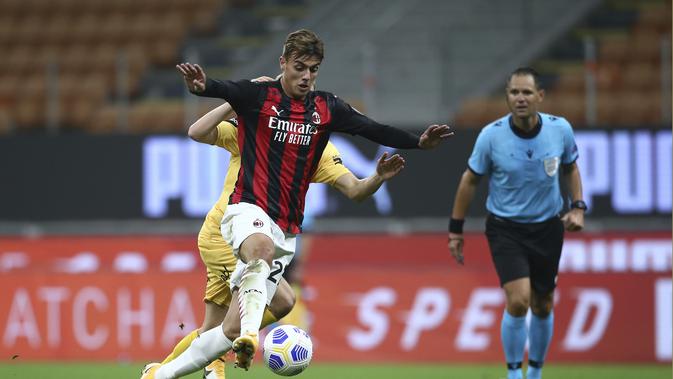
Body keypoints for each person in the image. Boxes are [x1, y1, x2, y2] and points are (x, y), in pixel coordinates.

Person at [143, 29, 452, 379]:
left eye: (314, 69)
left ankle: (164, 373)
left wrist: (412, 147)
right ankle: (244, 340)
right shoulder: (257, 105)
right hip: (236, 219)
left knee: (231, 326)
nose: (306, 76)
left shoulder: (323, 121)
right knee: (257, 259)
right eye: (300, 68)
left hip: (282, 228)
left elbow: (371, 136)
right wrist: (203, 87)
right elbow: (217, 95)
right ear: (283, 64)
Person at [154, 94, 408, 379]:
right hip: (227, 234)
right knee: (279, 302)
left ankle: (160, 372)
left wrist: (377, 178)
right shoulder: (259, 127)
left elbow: (356, 190)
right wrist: (236, 99)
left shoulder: (321, 151)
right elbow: (198, 131)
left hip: (260, 240)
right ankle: (223, 353)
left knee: (214, 330)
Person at [447, 67, 585, 379]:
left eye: (526, 92)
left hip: (548, 226)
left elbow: (571, 168)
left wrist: (578, 207)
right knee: (520, 300)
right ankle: (513, 373)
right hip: (506, 228)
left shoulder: (560, 129)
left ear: (540, 96)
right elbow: (469, 181)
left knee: (543, 304)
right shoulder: (491, 136)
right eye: (514, 92)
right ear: (507, 97)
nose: (520, 98)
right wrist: (455, 230)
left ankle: (534, 372)